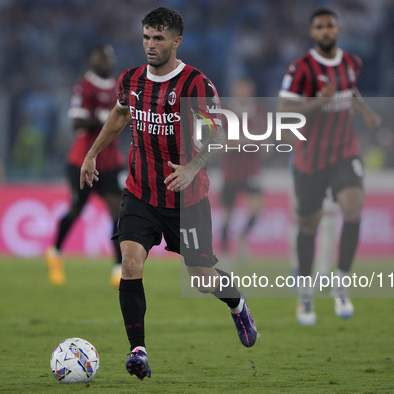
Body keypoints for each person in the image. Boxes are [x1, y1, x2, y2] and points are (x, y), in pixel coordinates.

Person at [80, 7, 257, 381]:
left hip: (186, 199)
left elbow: (217, 136)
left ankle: (237, 304)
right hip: (140, 192)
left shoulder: (197, 84)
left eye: (158, 38)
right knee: (130, 263)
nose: (150, 45)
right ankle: (138, 352)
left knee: (202, 276)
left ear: (177, 41)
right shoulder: (130, 79)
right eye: (146, 37)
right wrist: (92, 154)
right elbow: (119, 115)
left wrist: (193, 167)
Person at [278, 8, 382, 325]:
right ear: (312, 33)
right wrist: (319, 102)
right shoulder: (301, 68)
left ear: (338, 30)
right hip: (310, 157)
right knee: (308, 226)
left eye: (330, 25)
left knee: (353, 210)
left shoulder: (352, 62)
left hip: (344, 152)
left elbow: (350, 91)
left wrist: (365, 111)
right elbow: (284, 109)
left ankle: (340, 281)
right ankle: (305, 296)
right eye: (320, 26)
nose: (326, 30)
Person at [46, 45, 125, 287]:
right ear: (92, 60)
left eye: (107, 59)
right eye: (99, 58)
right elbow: (76, 121)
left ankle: (118, 268)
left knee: (118, 211)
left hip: (111, 161)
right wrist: (102, 117)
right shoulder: (84, 87)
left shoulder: (118, 85)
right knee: (77, 209)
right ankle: (55, 252)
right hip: (83, 160)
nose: (104, 62)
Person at [219, 78, 265, 262]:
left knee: (256, 209)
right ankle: (223, 251)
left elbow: (265, 141)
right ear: (235, 90)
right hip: (231, 170)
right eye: (241, 88)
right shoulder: (226, 113)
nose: (244, 92)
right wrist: (243, 141)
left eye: (247, 88)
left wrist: (249, 142)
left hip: (251, 169)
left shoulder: (259, 112)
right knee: (228, 213)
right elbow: (220, 144)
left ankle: (242, 237)